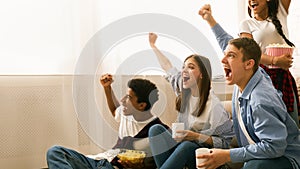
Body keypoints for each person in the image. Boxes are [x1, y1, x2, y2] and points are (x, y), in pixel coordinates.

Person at [196, 37, 300, 169]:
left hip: (286, 157)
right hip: (256, 145)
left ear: (249, 64)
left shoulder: (260, 101)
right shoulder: (246, 78)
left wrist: (228, 155)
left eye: (231, 56)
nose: (223, 60)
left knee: (254, 166)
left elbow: (275, 147)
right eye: (225, 55)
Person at [199, 1, 300, 127]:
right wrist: (275, 60)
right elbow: (250, 53)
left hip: (284, 76)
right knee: (270, 123)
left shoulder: (280, 14)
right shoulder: (247, 24)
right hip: (262, 75)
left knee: (292, 121)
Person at [148, 33, 234, 169]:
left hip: (203, 155)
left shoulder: (213, 105)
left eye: (191, 67)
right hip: (183, 146)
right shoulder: (184, 92)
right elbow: (167, 66)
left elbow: (224, 142)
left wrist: (195, 136)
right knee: (155, 130)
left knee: (187, 146)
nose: (184, 71)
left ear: (202, 74)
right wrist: (153, 46)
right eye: (184, 67)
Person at [46, 74, 169, 169]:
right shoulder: (127, 115)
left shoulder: (158, 130)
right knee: (55, 152)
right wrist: (107, 87)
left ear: (142, 105)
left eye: (129, 97)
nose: (122, 100)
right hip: (99, 161)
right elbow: (115, 110)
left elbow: (163, 162)